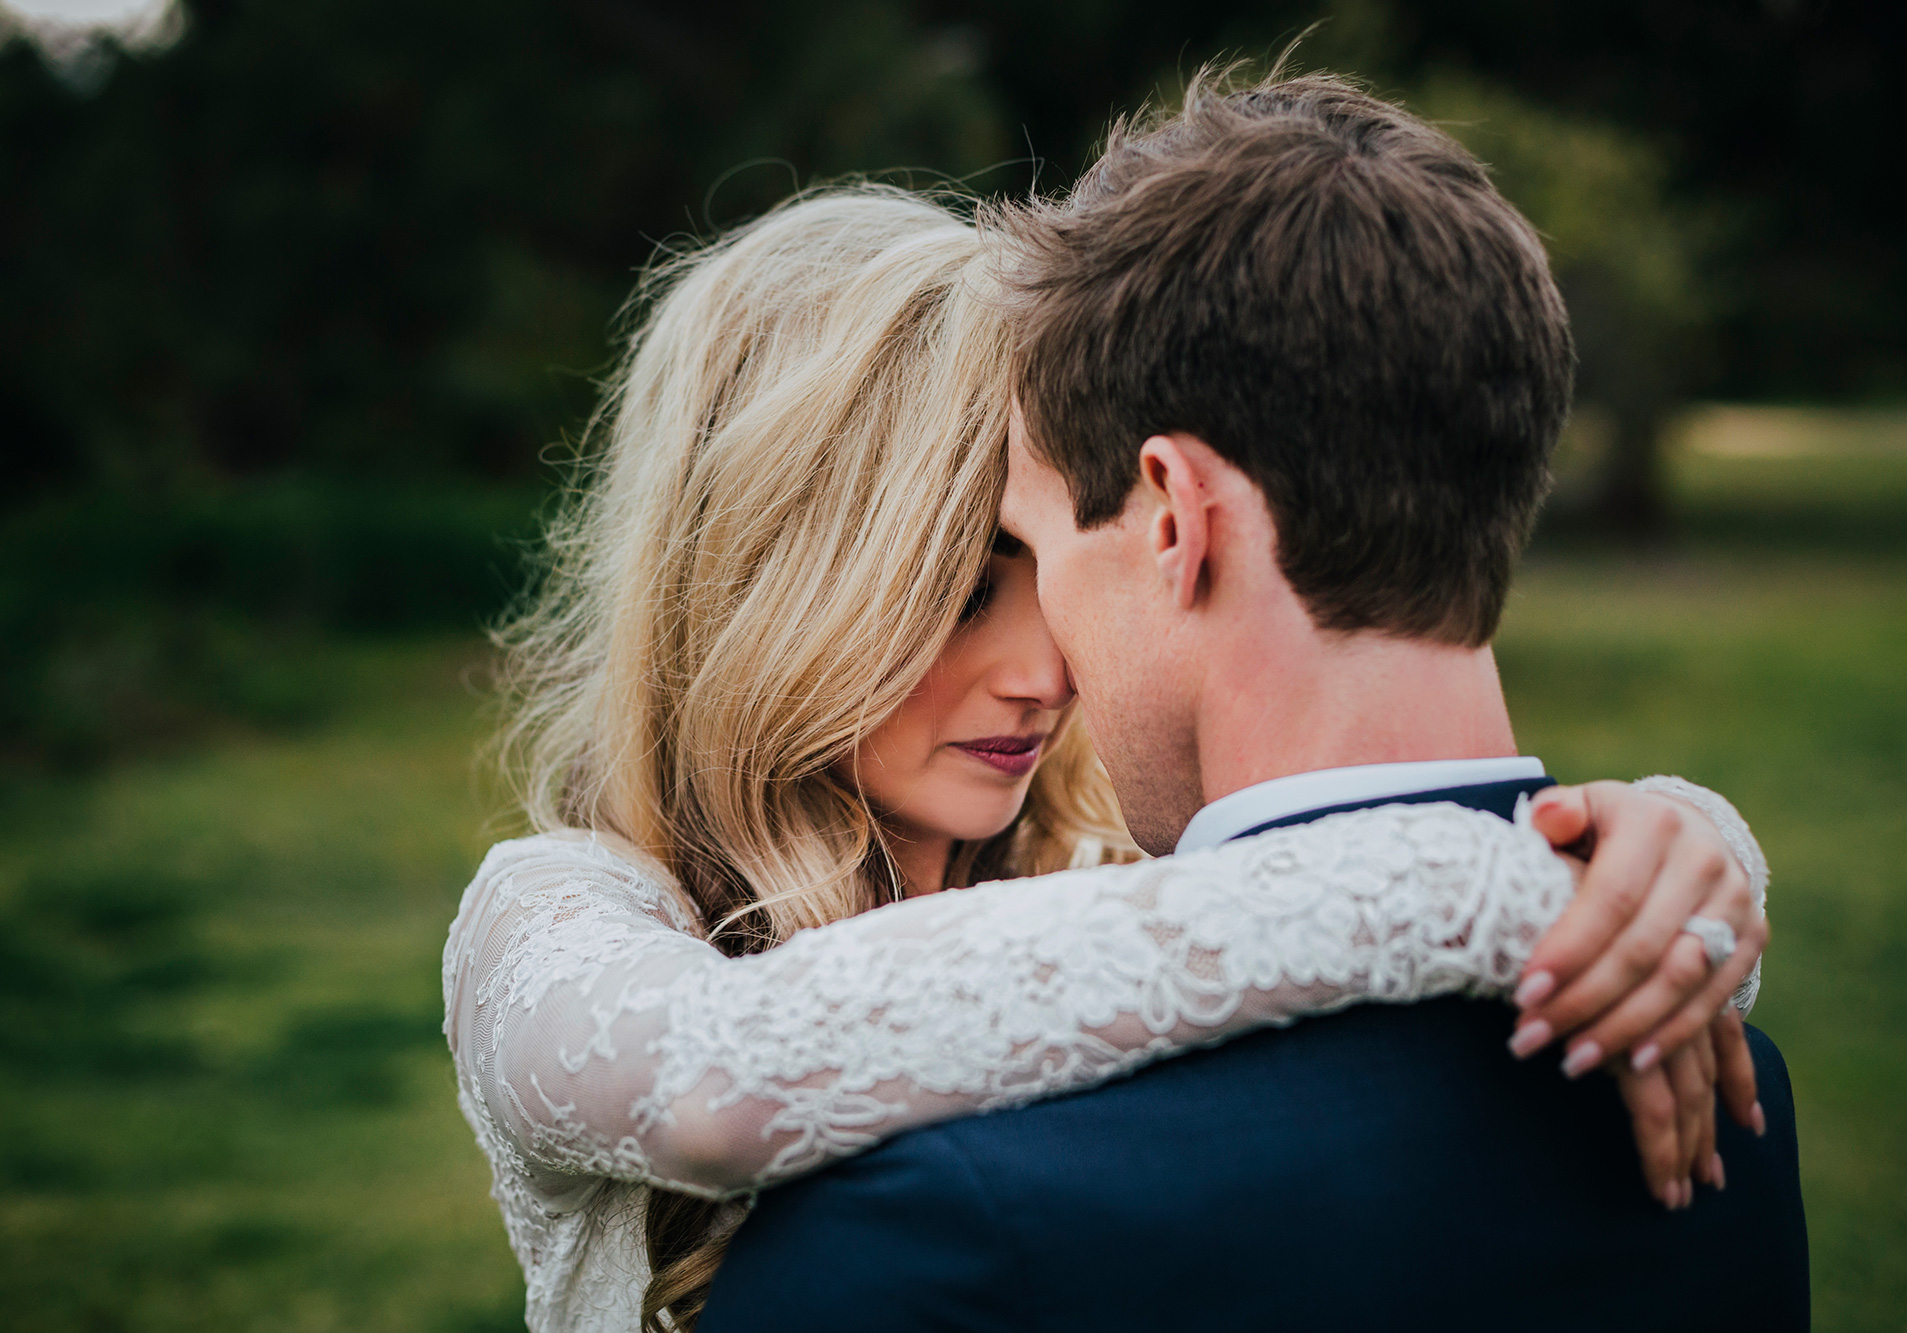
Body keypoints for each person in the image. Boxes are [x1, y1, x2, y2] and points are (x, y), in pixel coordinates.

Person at [445, 183, 1773, 1333]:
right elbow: (714, 1080)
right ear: (772, 586)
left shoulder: (1108, 871)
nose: (1045, 670)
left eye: (1050, 569)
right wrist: (1480, 877)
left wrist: (1672, 841)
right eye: (959, 588)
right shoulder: (556, 918)